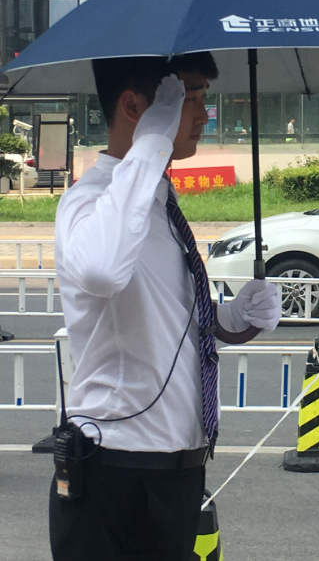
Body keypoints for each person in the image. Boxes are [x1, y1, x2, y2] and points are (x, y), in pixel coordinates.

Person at [49, 53, 280, 561]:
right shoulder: (89, 202)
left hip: (177, 466)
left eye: (201, 99)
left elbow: (170, 321)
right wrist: (152, 142)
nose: (202, 116)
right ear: (135, 107)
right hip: (112, 466)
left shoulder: (155, 202)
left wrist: (235, 319)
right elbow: (103, 271)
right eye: (187, 98)